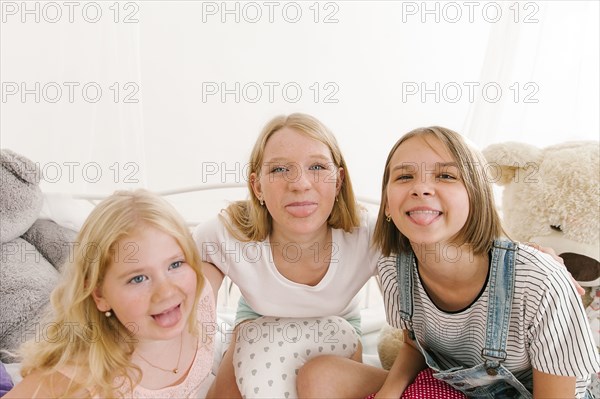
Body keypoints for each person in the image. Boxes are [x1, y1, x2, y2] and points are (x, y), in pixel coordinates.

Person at [297, 126, 600, 398]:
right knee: (321, 375)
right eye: (404, 176)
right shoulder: (393, 268)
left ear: (476, 196)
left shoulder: (537, 281)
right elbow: (414, 344)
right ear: (387, 204)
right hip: (451, 389)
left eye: (445, 176)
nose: (421, 188)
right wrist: (389, 393)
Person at [194, 113, 380, 398]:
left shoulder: (366, 233)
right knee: (227, 391)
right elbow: (193, 309)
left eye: (317, 166)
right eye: (280, 170)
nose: (300, 184)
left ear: (339, 180)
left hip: (338, 321)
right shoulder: (228, 235)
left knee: (325, 384)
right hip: (257, 319)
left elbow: (415, 319)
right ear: (257, 187)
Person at [5, 189, 217, 398]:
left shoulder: (202, 300)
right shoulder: (80, 375)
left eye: (176, 264)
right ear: (100, 296)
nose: (166, 292)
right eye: (138, 279)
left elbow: (230, 233)